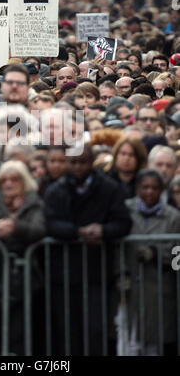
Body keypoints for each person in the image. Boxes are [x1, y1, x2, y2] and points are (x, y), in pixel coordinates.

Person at [44, 144, 132, 355]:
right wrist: (77, 232)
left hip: (96, 271)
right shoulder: (56, 190)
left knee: (95, 329)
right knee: (67, 331)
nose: (77, 168)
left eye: (82, 162)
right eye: (73, 162)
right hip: (63, 273)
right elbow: (49, 223)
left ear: (91, 162)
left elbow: (123, 223)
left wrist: (103, 230)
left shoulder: (109, 188)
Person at [0, 160, 46, 355]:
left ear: (23, 182)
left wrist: (16, 226)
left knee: (19, 331)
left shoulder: (33, 201)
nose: (8, 184)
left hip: (25, 274)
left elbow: (39, 229)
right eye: (4, 180)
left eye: (14, 179)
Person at [125, 169, 180, 355]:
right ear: (137, 189)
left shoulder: (173, 216)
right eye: (145, 187)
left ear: (162, 190)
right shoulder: (126, 210)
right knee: (129, 340)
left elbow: (177, 257)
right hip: (130, 286)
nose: (149, 192)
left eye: (154, 188)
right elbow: (117, 248)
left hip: (160, 288)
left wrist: (157, 254)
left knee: (157, 342)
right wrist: (119, 273)